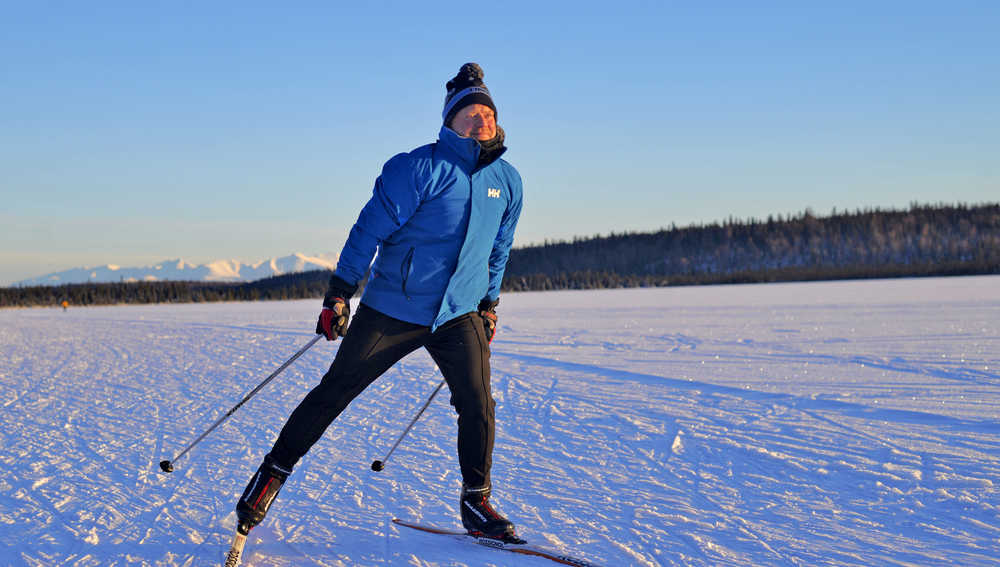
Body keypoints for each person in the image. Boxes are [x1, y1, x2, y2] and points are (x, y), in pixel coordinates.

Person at [234, 63, 524, 541]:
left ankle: (477, 502)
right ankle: (270, 475)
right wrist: (339, 292)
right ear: (450, 121)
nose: (481, 122)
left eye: (487, 113)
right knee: (334, 393)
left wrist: (489, 303)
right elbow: (367, 231)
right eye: (470, 113)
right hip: (394, 309)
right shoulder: (416, 167)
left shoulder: (508, 180)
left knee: (477, 403)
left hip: (459, 315)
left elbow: (499, 247)